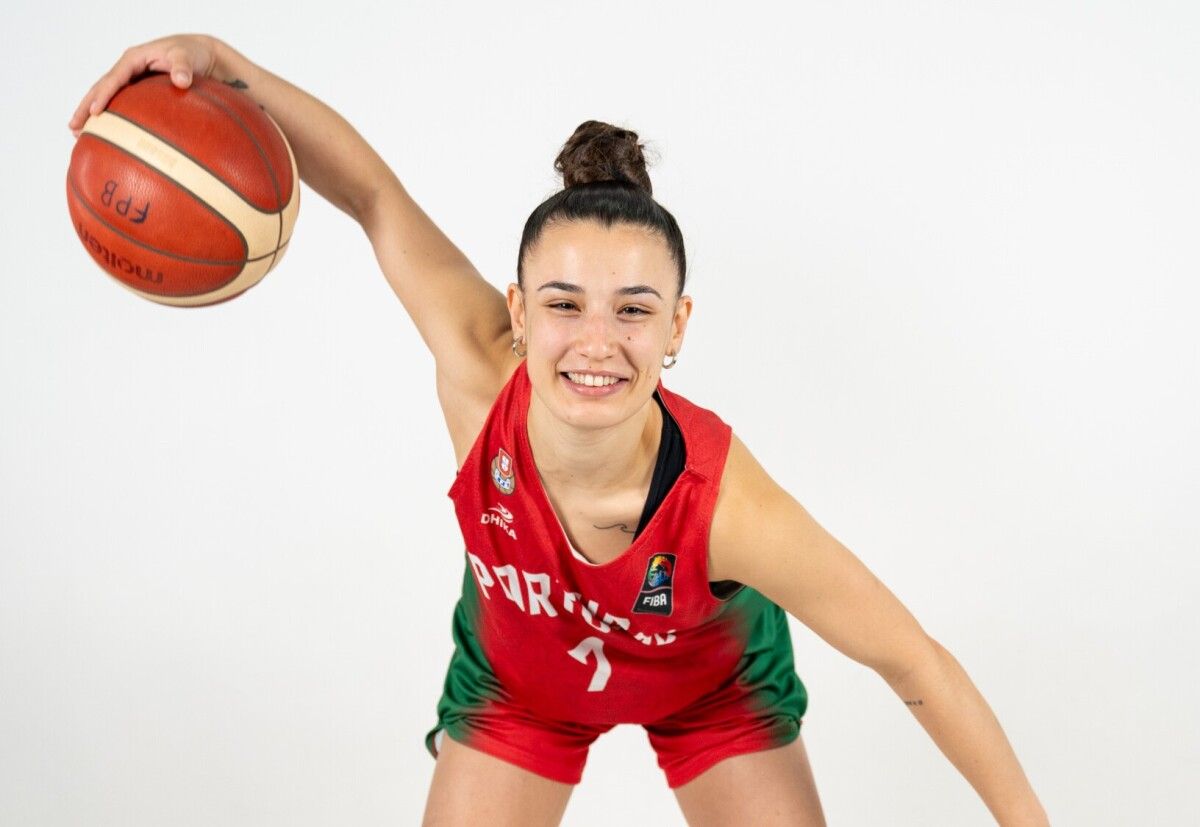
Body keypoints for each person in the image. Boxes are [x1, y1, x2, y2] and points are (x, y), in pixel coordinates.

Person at [70, 35, 1050, 826]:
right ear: (518, 310)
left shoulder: (728, 506)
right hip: (519, 684)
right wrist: (222, 60)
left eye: (633, 310)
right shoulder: (476, 365)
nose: (595, 341)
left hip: (709, 686)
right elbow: (372, 194)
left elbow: (912, 658)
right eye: (564, 303)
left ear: (677, 328)